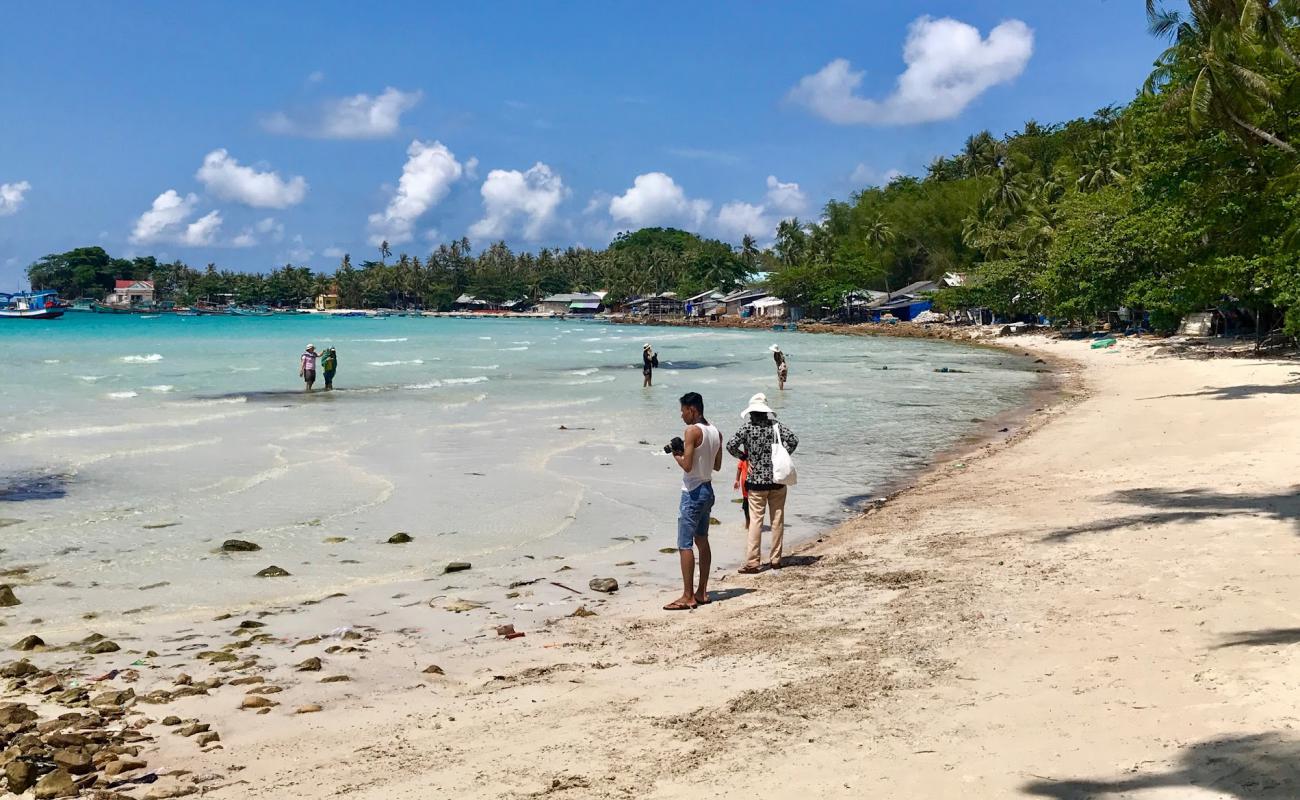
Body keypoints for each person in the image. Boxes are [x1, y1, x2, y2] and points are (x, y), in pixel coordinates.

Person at [727, 393, 799, 573]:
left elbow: (730, 445)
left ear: (752, 413)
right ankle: (775, 560)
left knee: (755, 522)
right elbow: (794, 440)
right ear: (766, 412)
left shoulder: (747, 428)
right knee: (777, 520)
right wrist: (782, 455)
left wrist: (745, 457)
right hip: (777, 479)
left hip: (756, 482)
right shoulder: (776, 426)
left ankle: (753, 562)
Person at [664, 391, 722, 611]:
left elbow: (687, 466)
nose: (681, 415)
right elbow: (716, 466)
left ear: (692, 409)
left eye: (683, 411)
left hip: (692, 492)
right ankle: (702, 591)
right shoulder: (716, 432)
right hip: (707, 488)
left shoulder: (692, 431)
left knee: (684, 544)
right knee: (702, 540)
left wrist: (676, 455)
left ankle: (688, 596)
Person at [733, 455, 750, 528]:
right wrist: (737, 480)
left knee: (753, 507)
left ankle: (751, 524)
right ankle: (747, 523)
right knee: (746, 507)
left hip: (754, 488)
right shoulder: (743, 458)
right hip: (745, 490)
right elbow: (739, 469)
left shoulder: (756, 457)